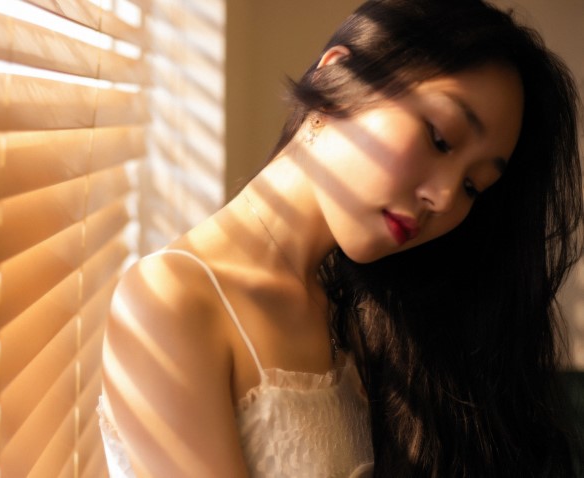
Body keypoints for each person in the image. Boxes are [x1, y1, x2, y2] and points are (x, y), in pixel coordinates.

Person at [98, 0, 583, 476]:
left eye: (473, 186)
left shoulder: (354, 317)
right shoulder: (171, 299)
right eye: (440, 138)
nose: (443, 198)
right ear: (338, 80)